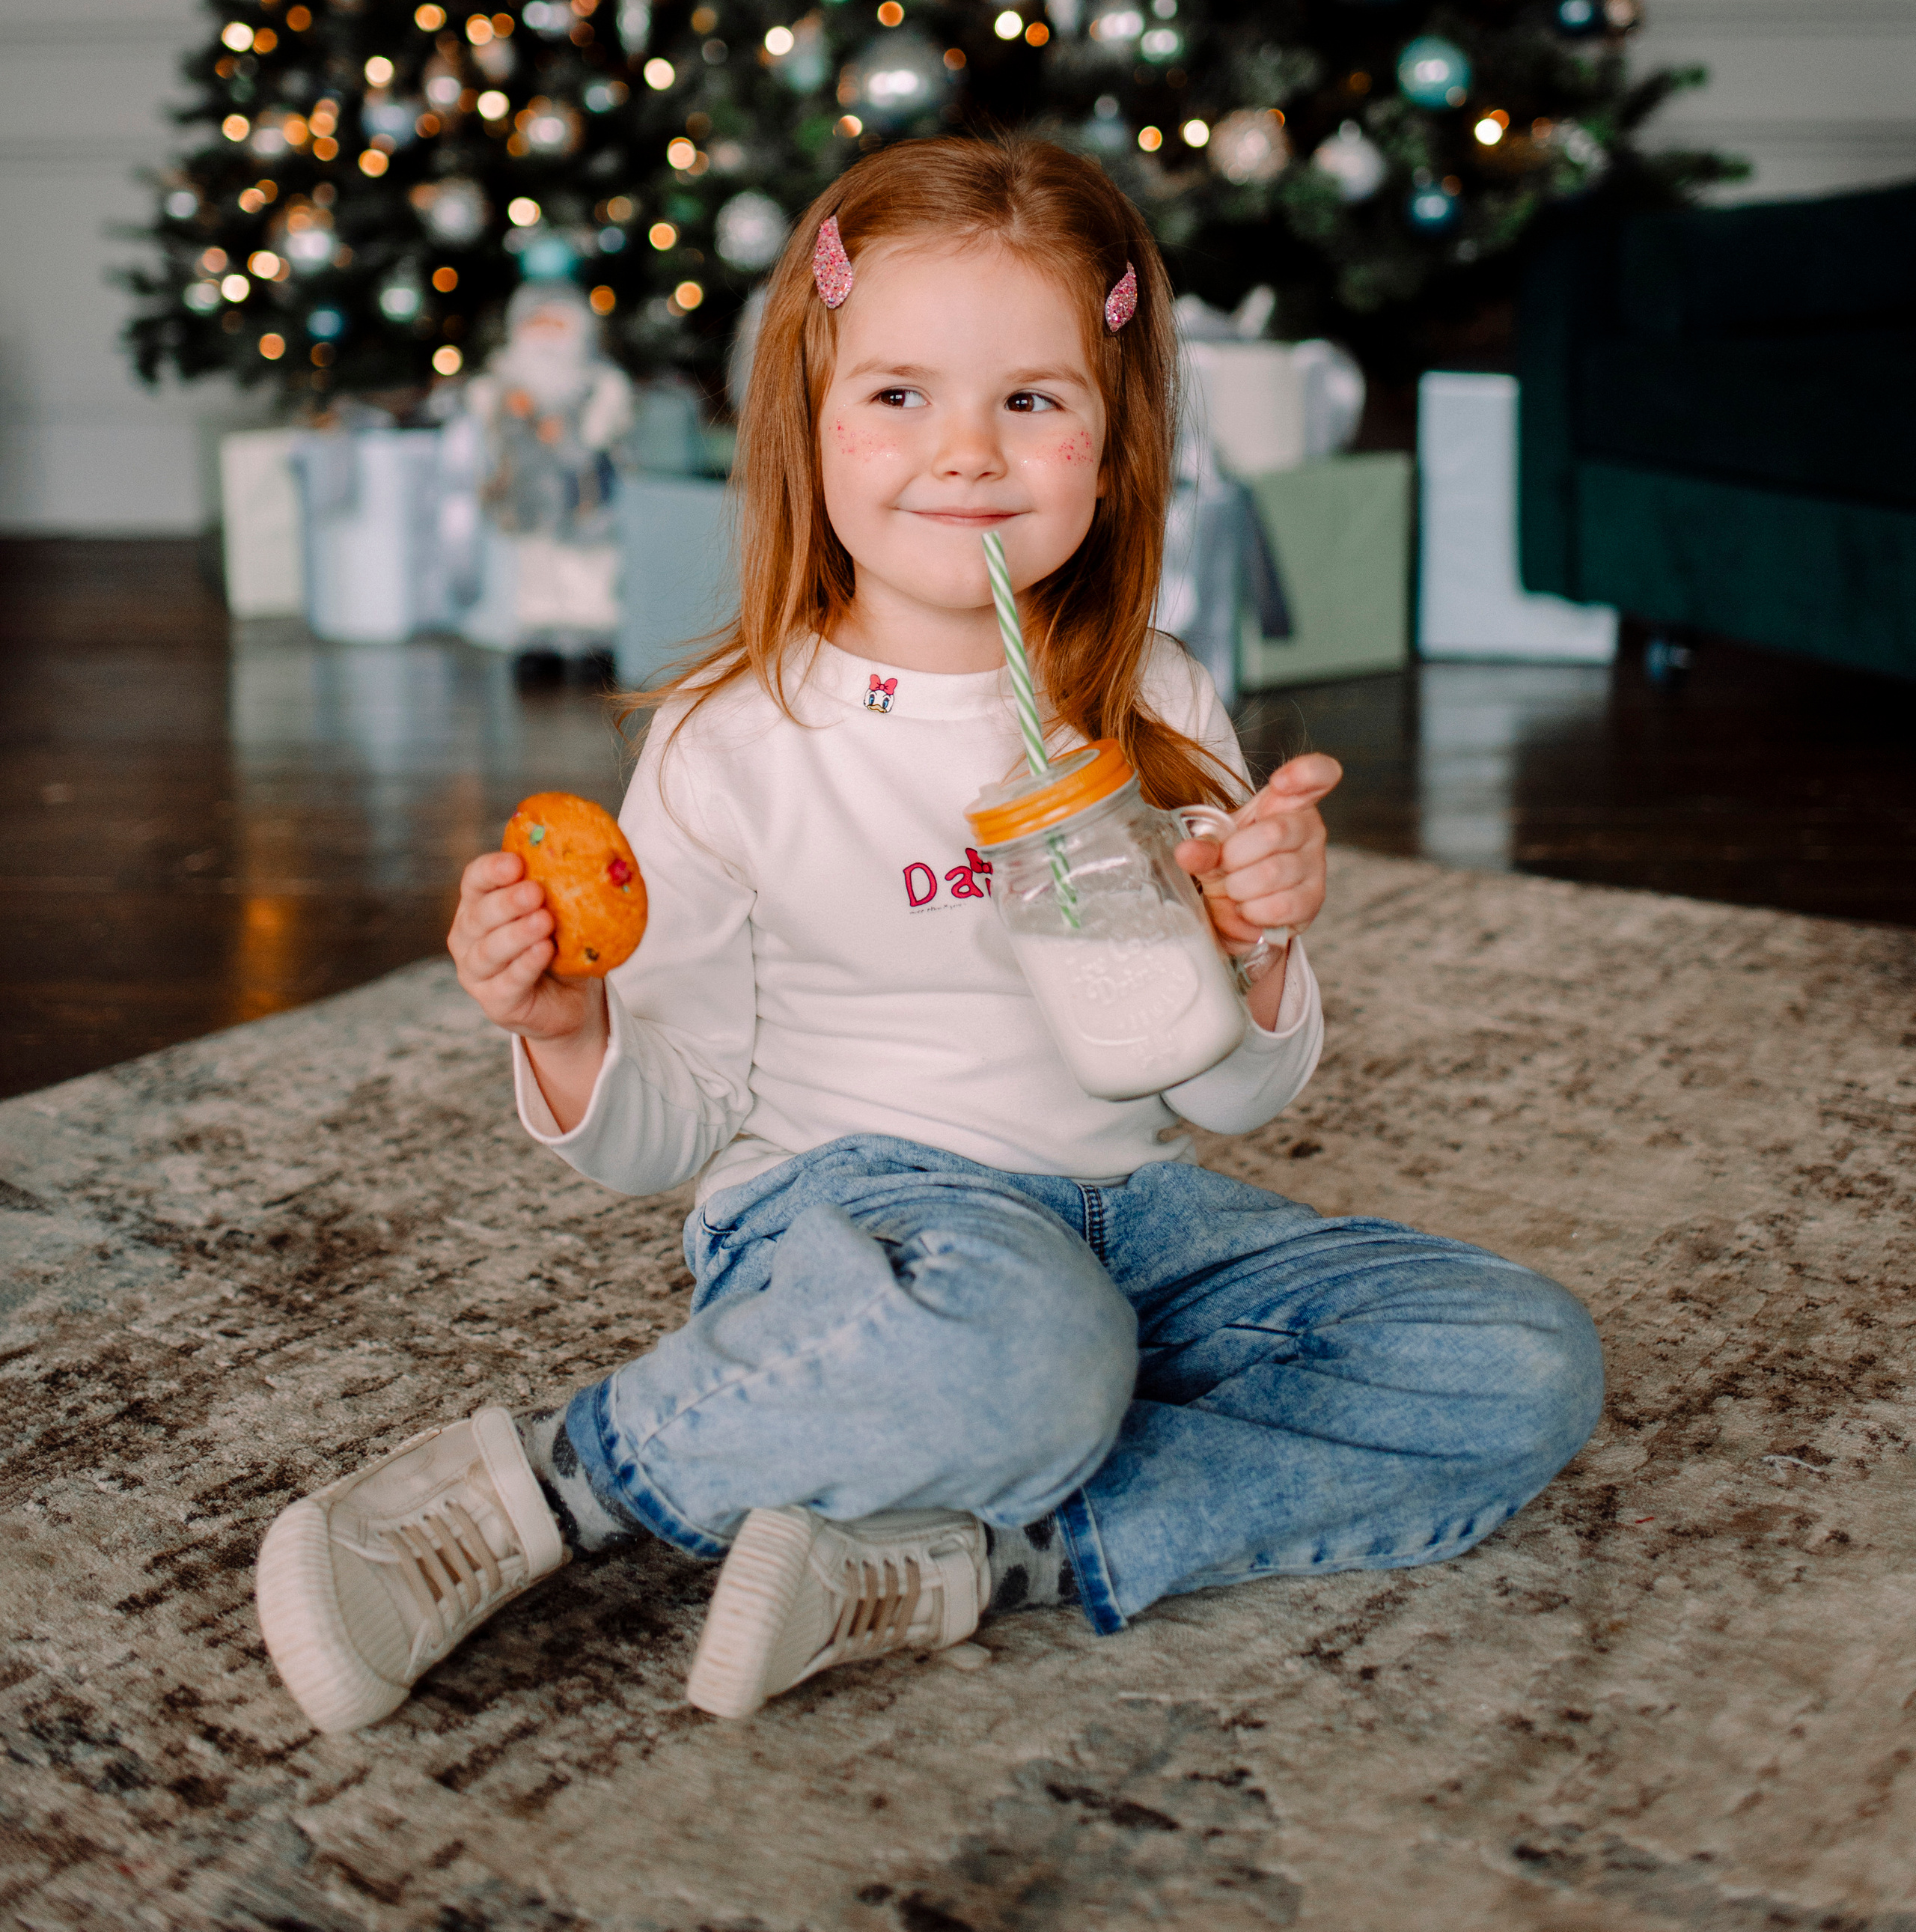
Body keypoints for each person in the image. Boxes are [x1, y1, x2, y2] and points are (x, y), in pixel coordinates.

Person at [256, 136, 1602, 1734]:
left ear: (1109, 447)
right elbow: (667, 1127)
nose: (963, 454)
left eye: (1029, 402)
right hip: (864, 1223)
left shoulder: (1151, 703)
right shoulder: (735, 742)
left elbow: (1229, 1097)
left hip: (1138, 1213)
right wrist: (567, 1028)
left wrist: (1255, 948)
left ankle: (967, 1556)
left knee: (1515, 1362)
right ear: (807, 431)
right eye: (897, 396)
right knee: (1025, 1350)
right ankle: (542, 1486)